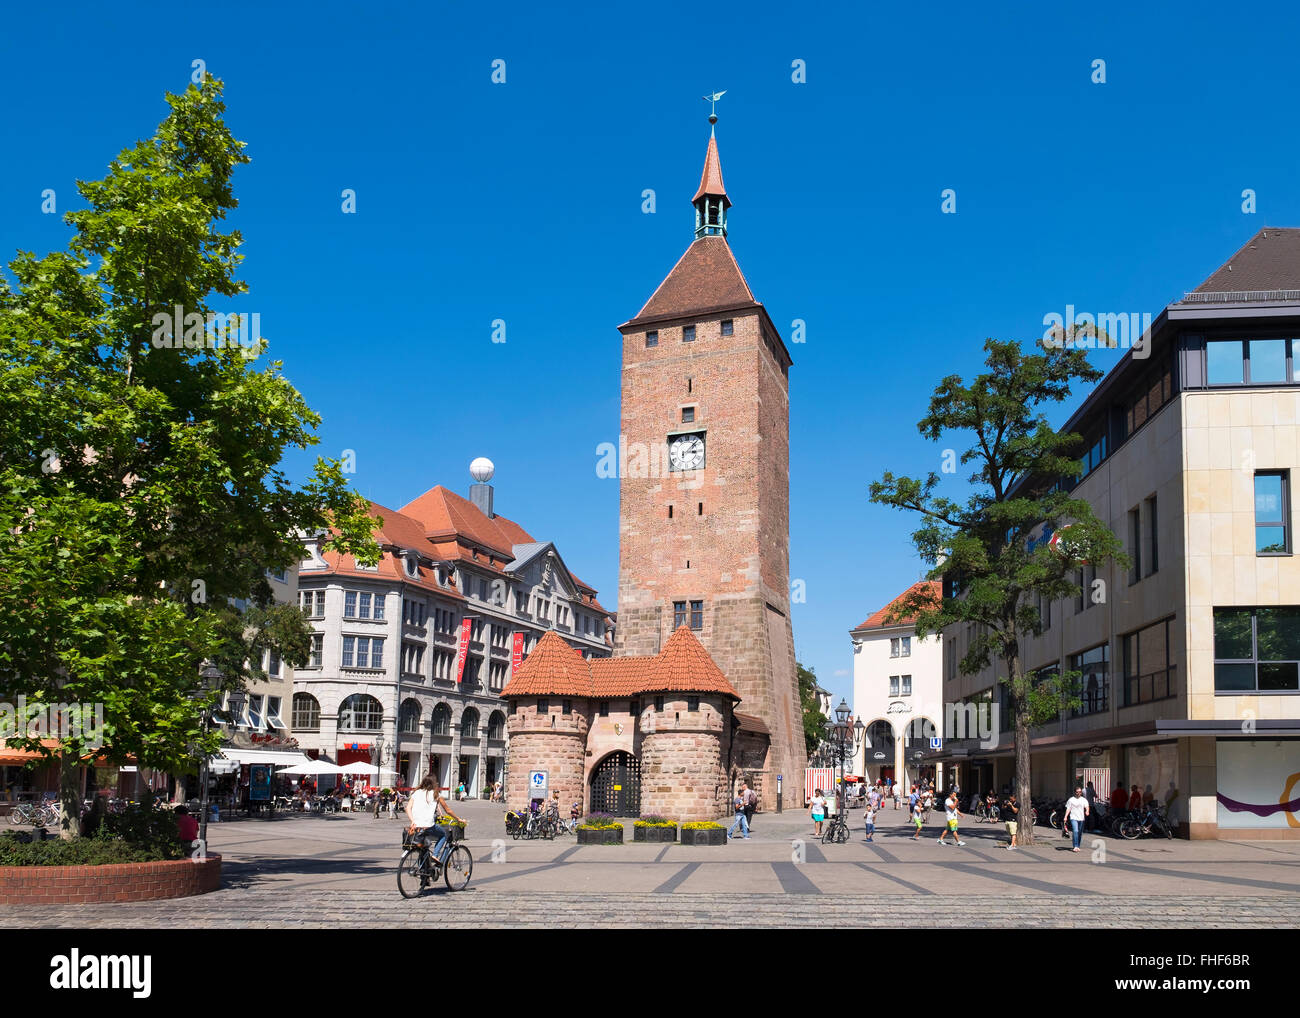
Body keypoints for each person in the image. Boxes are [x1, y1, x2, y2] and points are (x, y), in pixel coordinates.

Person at [404, 774, 463, 866]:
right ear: (434, 784)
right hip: (428, 825)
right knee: (444, 834)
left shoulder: (416, 792)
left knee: (423, 848)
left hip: (416, 826)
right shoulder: (436, 794)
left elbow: (407, 808)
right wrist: (458, 819)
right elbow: (448, 810)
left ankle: (424, 874)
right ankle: (435, 855)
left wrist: (412, 821)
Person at [1064, 785, 1089, 852]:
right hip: (1073, 817)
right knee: (1075, 831)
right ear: (1074, 792)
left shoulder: (1084, 800)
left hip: (1081, 818)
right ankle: (1075, 846)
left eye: (1080, 792)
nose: (1079, 793)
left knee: (1080, 832)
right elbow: (1068, 808)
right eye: (1077, 792)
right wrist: (1066, 816)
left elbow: (1087, 806)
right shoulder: (1071, 800)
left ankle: (1078, 845)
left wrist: (1087, 811)